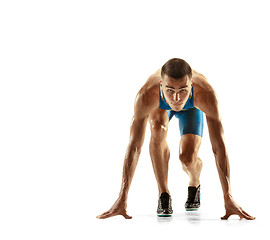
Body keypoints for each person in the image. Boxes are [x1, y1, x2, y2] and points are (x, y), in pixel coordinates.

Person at [96, 58, 255, 220]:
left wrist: (228, 197)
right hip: (161, 109)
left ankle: (194, 181)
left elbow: (218, 147)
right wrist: (122, 197)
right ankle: (163, 194)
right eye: (170, 90)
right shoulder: (146, 94)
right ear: (161, 86)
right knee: (157, 128)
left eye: (183, 90)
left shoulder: (206, 95)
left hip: (192, 109)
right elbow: (134, 147)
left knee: (187, 159)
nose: (176, 98)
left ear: (191, 86)